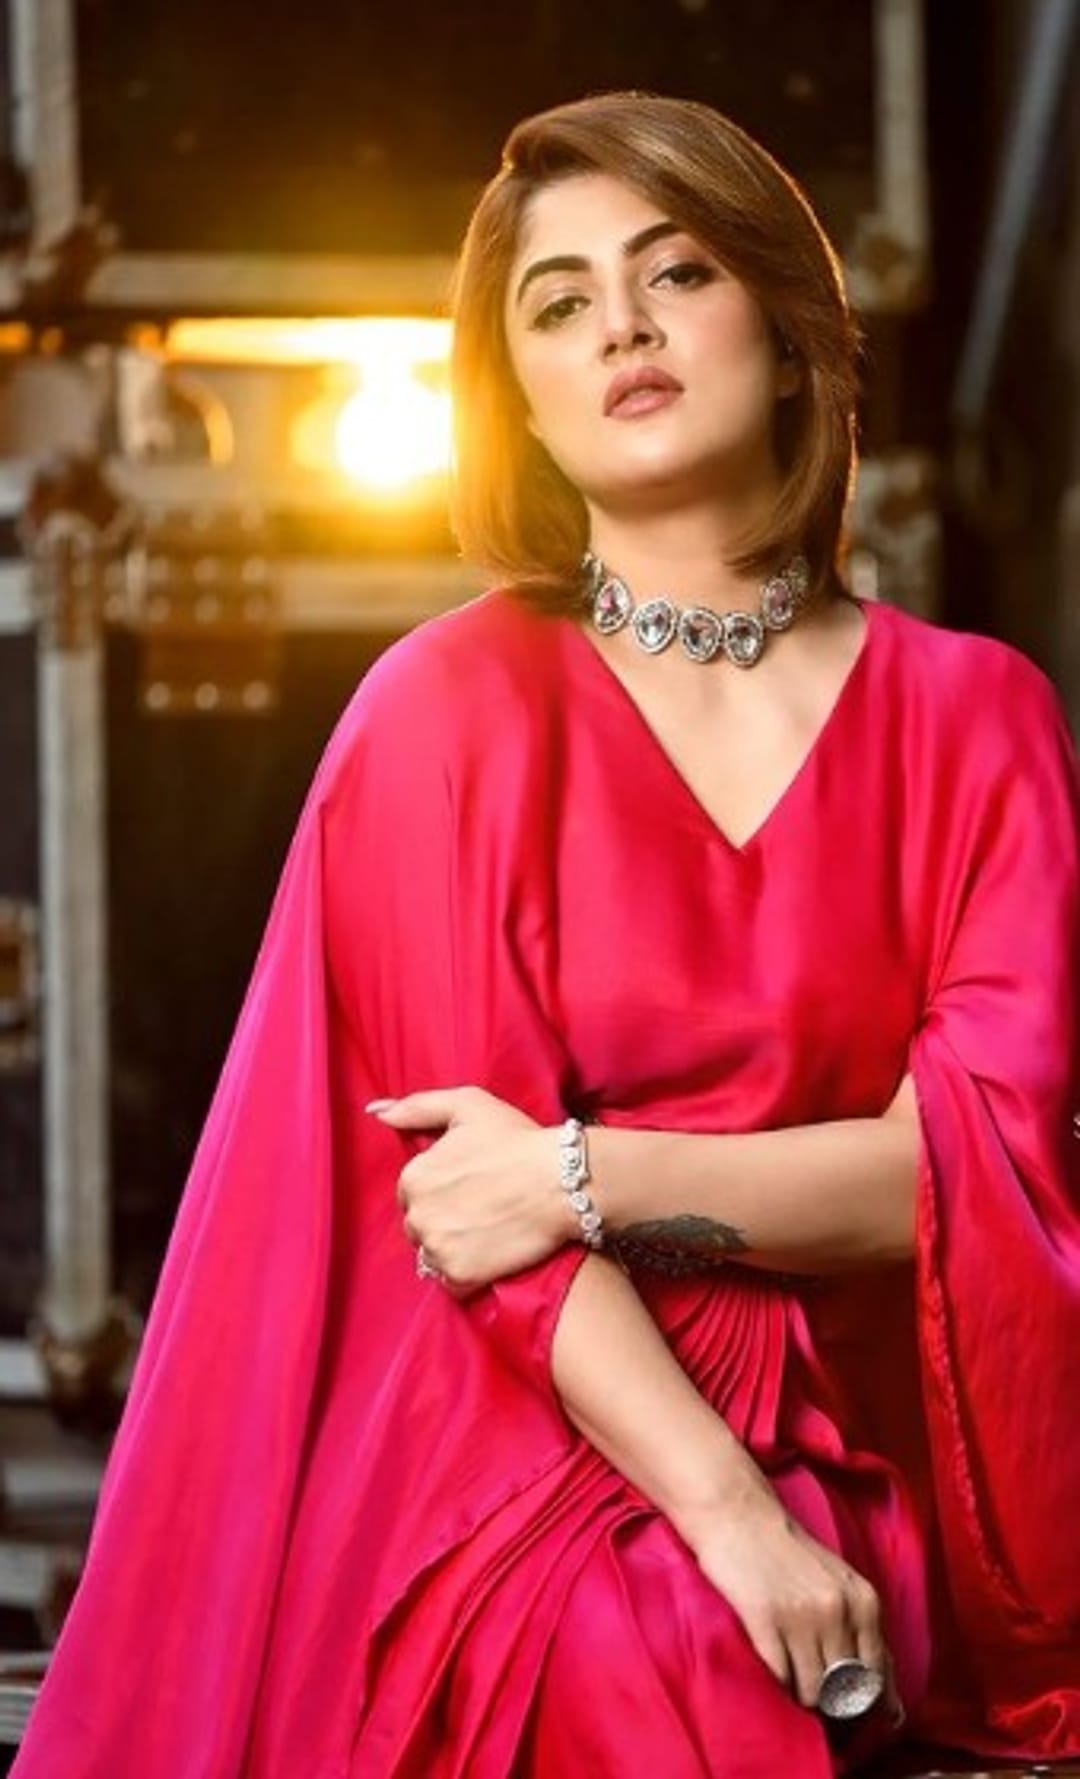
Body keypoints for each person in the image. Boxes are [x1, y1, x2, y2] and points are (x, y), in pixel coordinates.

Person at [12, 92, 1080, 1779]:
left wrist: (580, 1172)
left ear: (789, 337)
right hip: (524, 1407)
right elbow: (472, 1220)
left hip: (869, 1419)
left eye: (678, 273)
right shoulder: (443, 712)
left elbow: (970, 1180)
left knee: (803, 1609)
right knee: (670, 1641)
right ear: (517, 395)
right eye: (560, 304)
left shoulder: (982, 718)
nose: (623, 329)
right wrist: (730, 1511)